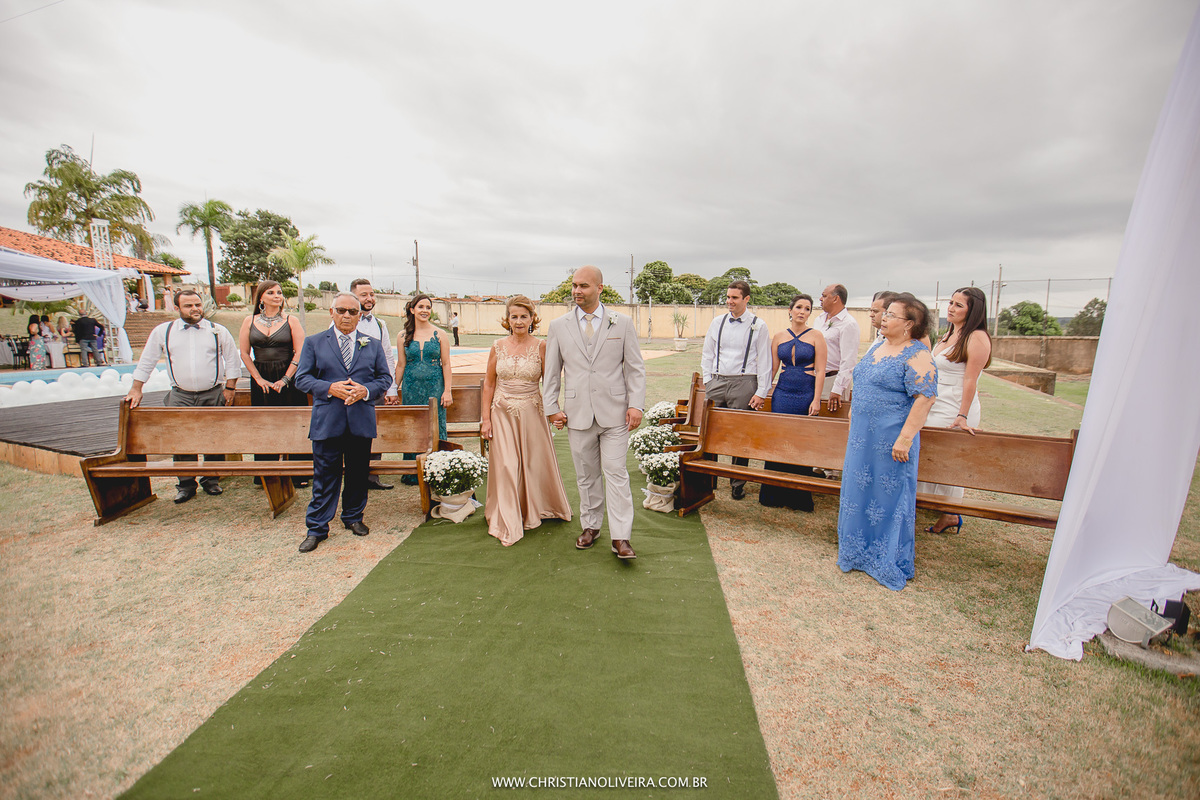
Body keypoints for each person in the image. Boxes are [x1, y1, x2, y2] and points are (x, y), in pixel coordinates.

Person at [836, 293, 938, 591]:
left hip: (891, 440)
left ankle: (885, 557)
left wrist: (905, 439)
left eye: (891, 315)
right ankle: (856, 552)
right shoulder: (879, 347)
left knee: (887, 498)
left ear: (909, 324)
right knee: (859, 494)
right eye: (885, 314)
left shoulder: (917, 353)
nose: (883, 318)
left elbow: (925, 398)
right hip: (862, 438)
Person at [544, 265, 646, 559]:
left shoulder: (622, 323)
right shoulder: (559, 326)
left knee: (616, 473)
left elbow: (635, 368)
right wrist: (552, 407)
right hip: (577, 414)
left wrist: (636, 404)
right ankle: (590, 526)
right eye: (574, 285)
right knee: (586, 475)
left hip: (615, 414)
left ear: (600, 288)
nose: (577, 291)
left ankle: (621, 537)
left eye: (584, 286)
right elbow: (552, 373)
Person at [293, 293, 393, 553]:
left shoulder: (371, 344)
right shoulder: (315, 343)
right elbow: (301, 379)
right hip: (328, 421)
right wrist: (330, 388)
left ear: (360, 315)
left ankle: (353, 517)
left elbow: (384, 379)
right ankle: (317, 528)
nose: (347, 316)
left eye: (352, 311)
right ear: (331, 312)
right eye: (342, 310)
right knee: (325, 475)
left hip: (360, 419)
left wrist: (366, 391)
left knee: (359, 472)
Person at [125, 289, 242, 504]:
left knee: (213, 437)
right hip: (180, 394)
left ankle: (211, 480)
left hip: (213, 392)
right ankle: (186, 484)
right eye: (189, 305)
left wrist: (231, 387)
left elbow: (232, 360)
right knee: (181, 440)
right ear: (177, 308)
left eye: (198, 304)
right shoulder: (164, 331)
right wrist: (136, 388)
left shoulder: (217, 330)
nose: (195, 309)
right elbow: (147, 360)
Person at [480, 295, 572, 545]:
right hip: (501, 412)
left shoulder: (542, 346)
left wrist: (555, 410)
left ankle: (534, 509)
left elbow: (551, 382)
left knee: (531, 463)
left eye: (524, 316)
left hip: (532, 411)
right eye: (514, 316)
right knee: (507, 464)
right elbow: (488, 383)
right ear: (507, 319)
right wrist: (485, 419)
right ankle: (508, 519)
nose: (519, 321)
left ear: (532, 318)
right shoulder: (497, 346)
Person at [917, 287, 993, 534]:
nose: (951, 307)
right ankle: (934, 505)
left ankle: (950, 513)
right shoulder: (948, 334)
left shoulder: (977, 337)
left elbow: (971, 380)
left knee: (947, 460)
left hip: (956, 406)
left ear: (973, 311)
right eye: (950, 302)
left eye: (959, 305)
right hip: (934, 401)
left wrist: (962, 415)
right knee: (928, 453)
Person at [699, 280, 771, 500]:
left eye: (735, 297)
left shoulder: (759, 325)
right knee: (710, 432)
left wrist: (761, 391)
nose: (730, 301)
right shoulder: (717, 322)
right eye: (728, 297)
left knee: (741, 435)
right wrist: (709, 380)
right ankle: (707, 479)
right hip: (718, 382)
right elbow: (707, 353)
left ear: (746, 299)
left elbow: (765, 361)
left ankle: (737, 483)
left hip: (744, 383)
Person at [759, 294, 827, 511]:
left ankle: (799, 497)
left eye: (807, 309)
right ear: (790, 310)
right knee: (779, 439)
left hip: (806, 392)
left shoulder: (817, 336)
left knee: (801, 441)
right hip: (783, 393)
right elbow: (773, 368)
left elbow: (821, 370)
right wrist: (763, 393)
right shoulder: (778, 337)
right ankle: (773, 494)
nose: (802, 312)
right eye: (799, 307)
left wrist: (816, 399)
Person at [238, 280, 310, 486]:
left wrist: (285, 379)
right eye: (271, 293)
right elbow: (244, 353)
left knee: (294, 423)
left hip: (289, 378)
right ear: (261, 297)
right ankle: (265, 471)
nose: (277, 296)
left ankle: (299, 473)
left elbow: (300, 351)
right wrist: (258, 378)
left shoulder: (291, 321)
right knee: (264, 424)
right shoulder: (249, 321)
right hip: (261, 378)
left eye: (279, 292)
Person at [395, 293, 452, 485]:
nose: (425, 311)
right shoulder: (402, 336)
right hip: (411, 388)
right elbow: (401, 365)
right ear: (412, 310)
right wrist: (393, 389)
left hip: (435, 387)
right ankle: (413, 471)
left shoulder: (440, 334)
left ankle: (438, 469)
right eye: (421, 307)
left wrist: (448, 391)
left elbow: (446, 364)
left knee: (436, 425)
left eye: (428, 307)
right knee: (413, 425)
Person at [349, 279, 400, 490]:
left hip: (375, 388)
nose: (369, 298)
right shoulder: (342, 321)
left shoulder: (380, 324)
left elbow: (388, 356)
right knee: (352, 436)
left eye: (371, 294)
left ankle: (372, 477)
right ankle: (353, 476)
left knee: (373, 431)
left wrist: (391, 388)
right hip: (351, 389)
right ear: (354, 297)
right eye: (363, 295)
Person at [812, 284, 861, 414]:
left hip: (832, 379)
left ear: (835, 299)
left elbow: (849, 360)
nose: (820, 299)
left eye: (824, 296)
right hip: (815, 378)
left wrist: (837, 389)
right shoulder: (819, 320)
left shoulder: (848, 324)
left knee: (829, 422)